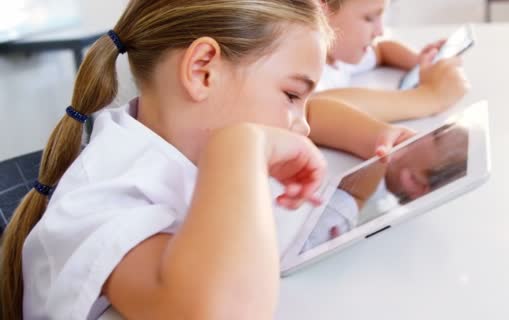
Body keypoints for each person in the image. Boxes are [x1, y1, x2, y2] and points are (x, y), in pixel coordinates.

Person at [0, 1, 413, 319]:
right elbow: (222, 310)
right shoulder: (102, 197)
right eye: (291, 96)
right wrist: (239, 148)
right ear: (202, 71)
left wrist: (373, 151)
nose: (302, 127)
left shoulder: (171, 143)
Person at [315, 0, 470, 122]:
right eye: (369, 18)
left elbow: (382, 50)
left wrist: (418, 61)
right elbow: (317, 109)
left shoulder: (338, 56)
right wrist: (431, 97)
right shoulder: (309, 70)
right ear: (321, 9)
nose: (380, 31)